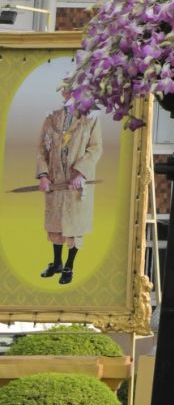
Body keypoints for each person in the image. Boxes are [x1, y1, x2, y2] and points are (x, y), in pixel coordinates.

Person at [35, 102, 102, 286]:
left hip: (76, 184)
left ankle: (69, 266)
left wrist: (81, 173)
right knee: (55, 224)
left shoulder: (91, 118)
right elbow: (42, 148)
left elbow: (95, 149)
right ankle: (56, 263)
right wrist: (43, 175)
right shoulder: (52, 117)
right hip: (55, 181)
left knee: (74, 226)